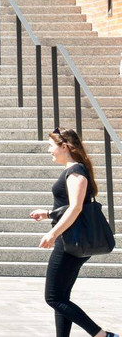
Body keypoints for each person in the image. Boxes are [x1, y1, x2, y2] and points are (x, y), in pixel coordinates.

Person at [30, 129, 120, 337]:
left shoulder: (76, 172)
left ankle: (101, 335)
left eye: (51, 146)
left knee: (53, 297)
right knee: (61, 296)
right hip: (72, 238)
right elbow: (69, 206)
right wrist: (48, 214)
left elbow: (76, 208)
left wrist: (52, 234)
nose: (49, 150)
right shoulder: (74, 170)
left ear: (64, 147)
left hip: (71, 241)